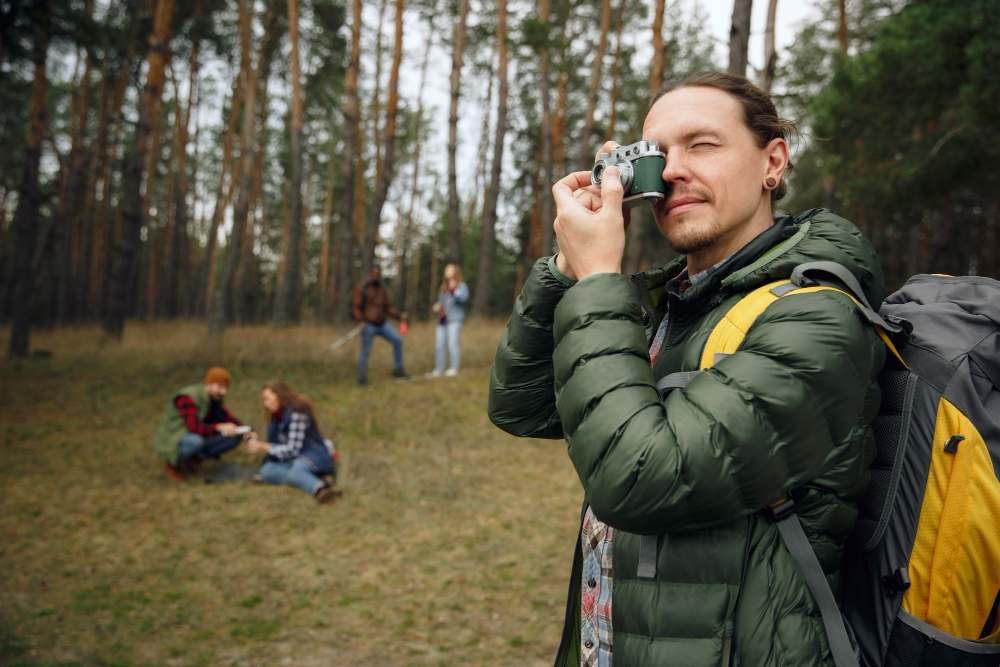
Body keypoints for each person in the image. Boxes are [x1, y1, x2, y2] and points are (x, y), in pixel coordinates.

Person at [488, 71, 886, 667]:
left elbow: (642, 477)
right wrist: (567, 269)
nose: (672, 170)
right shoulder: (675, 303)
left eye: (702, 145)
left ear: (772, 163)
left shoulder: (817, 315)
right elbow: (523, 403)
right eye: (657, 152)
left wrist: (600, 279)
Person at [246, 380, 341, 504]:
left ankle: (320, 489)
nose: (266, 404)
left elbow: (293, 449)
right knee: (266, 470)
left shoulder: (296, 413)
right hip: (295, 459)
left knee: (297, 470)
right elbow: (281, 448)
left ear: (279, 395)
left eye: (268, 398)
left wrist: (265, 447)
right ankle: (316, 479)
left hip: (313, 455)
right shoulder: (277, 417)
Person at [153, 366, 250, 482]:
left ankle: (192, 462)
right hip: (175, 438)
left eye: (225, 388)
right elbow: (194, 428)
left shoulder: (213, 399)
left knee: (233, 436)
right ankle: (172, 465)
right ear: (209, 383)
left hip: (195, 435)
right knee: (195, 441)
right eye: (220, 386)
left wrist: (245, 430)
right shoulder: (187, 398)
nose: (223, 392)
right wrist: (219, 427)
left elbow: (228, 417)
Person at [351, 264, 409, 386]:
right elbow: (356, 306)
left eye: (378, 273)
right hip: (368, 325)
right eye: (374, 273)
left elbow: (387, 307)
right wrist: (360, 320)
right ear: (370, 273)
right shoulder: (362, 287)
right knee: (365, 351)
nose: (376, 275)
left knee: (397, 341)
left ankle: (398, 370)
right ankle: (362, 378)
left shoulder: (382, 289)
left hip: (382, 323)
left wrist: (399, 315)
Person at [426, 263, 470, 378]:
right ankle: (439, 369)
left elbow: (464, 298)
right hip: (442, 319)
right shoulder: (444, 287)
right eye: (446, 269)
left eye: (449, 270)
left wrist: (454, 289)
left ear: (455, 272)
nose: (446, 271)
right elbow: (444, 303)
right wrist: (438, 306)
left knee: (452, 344)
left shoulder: (461, 285)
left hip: (454, 319)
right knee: (439, 344)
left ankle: (454, 368)